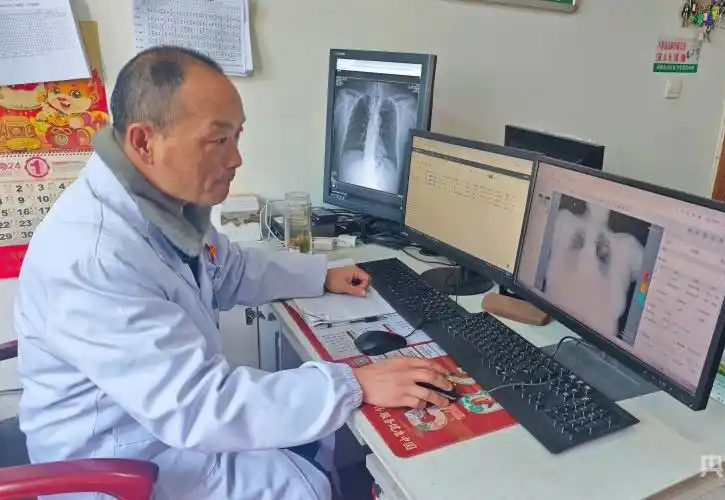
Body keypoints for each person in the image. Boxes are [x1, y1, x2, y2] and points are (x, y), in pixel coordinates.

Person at [13, 46, 453, 500]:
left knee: (313, 437)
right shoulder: (96, 256)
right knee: (302, 484)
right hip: (122, 468)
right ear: (144, 142)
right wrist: (354, 382)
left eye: (237, 137)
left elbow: (227, 267)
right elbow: (198, 408)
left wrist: (319, 274)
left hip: (162, 428)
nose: (236, 158)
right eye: (218, 140)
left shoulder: (158, 206)